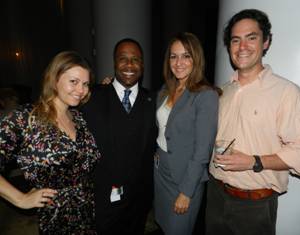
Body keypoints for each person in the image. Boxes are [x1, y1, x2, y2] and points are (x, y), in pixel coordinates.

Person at [205, 9, 300, 235]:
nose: (242, 46)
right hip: (215, 195)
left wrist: (254, 161)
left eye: (251, 38)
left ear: (265, 42)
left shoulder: (287, 93)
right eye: (236, 40)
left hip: (254, 206)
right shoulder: (222, 92)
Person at [0, 51, 101, 234]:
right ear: (54, 79)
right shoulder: (25, 118)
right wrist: (20, 199)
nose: (81, 90)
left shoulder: (78, 118)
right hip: (56, 219)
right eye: (74, 81)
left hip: (89, 213)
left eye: (85, 84)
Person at [81, 38, 157, 235]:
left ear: (143, 64)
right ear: (114, 62)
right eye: (123, 59)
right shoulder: (90, 97)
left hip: (139, 199)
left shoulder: (153, 100)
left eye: (136, 59)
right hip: (104, 199)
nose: (129, 65)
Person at [154, 32, 218, 235]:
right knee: (164, 225)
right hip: (160, 171)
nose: (178, 62)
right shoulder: (166, 89)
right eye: (174, 56)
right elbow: (162, 128)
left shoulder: (205, 95)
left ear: (196, 58)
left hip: (184, 178)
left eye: (186, 56)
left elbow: (202, 151)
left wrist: (186, 192)